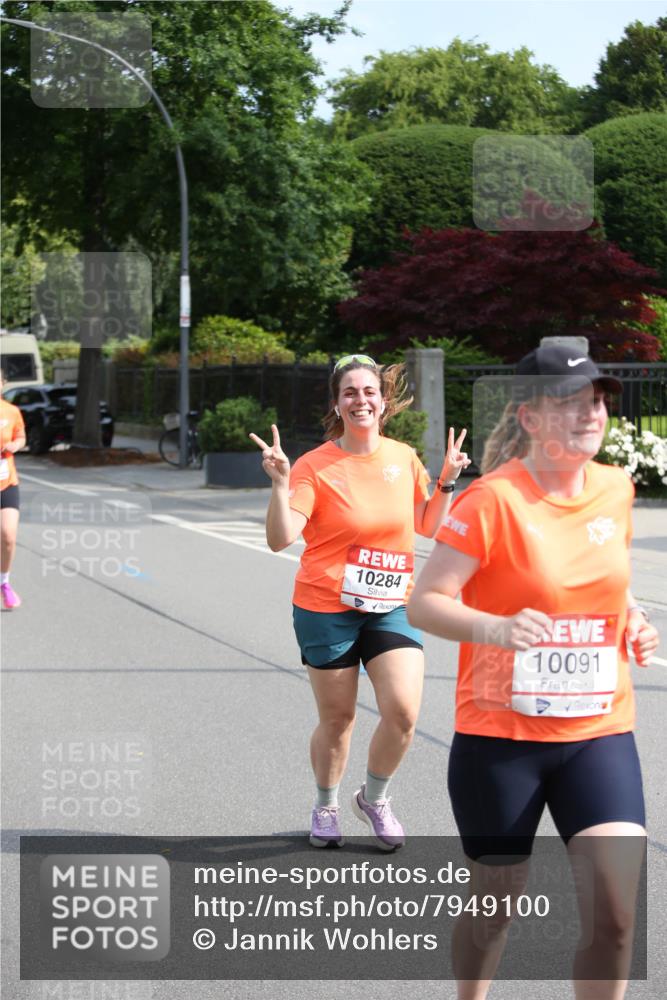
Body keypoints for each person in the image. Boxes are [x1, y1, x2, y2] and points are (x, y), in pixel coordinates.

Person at [408, 344, 660, 999]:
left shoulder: (614, 487)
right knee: (495, 909)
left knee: (615, 917)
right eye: (568, 403)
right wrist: (494, 628)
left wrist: (629, 616)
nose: (588, 414)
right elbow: (425, 601)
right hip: (500, 740)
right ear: (529, 417)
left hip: (597, 732)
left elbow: (605, 580)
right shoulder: (491, 502)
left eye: (596, 401)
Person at [250, 353, 470, 850]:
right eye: (350, 392)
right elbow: (280, 539)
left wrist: (448, 479)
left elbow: (428, 525)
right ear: (337, 403)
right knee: (339, 718)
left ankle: (374, 799)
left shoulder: (402, 456)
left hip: (391, 603)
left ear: (383, 402)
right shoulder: (314, 465)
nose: (360, 400)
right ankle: (326, 804)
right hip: (326, 607)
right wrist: (281, 484)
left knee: (404, 713)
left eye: (369, 392)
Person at [0, 367, 27, 610]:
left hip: (6, 482)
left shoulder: (11, 411)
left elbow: (21, 437)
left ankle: (4, 583)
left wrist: (15, 445)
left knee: (8, 536)